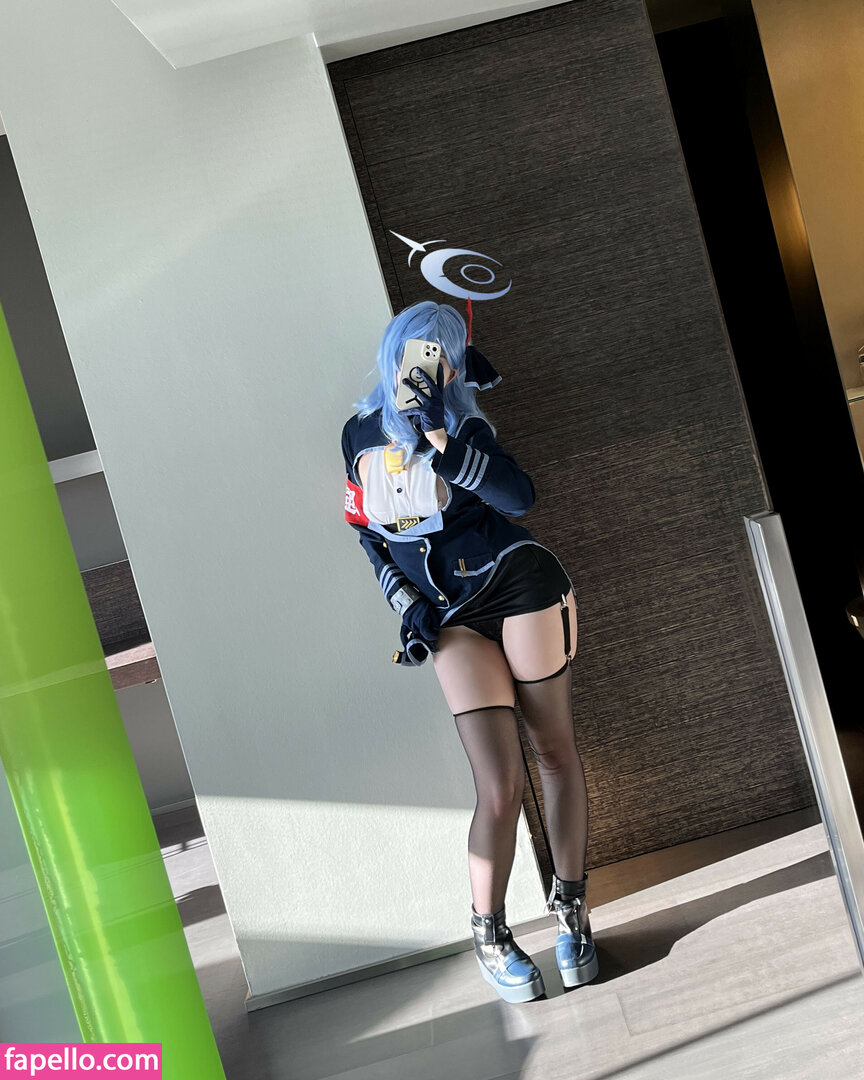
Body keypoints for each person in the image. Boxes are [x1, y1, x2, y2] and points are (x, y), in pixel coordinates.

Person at [341, 300, 599, 1002]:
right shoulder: (358, 435)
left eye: (443, 356)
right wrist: (404, 602)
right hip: (450, 617)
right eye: (417, 352)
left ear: (455, 365)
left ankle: (572, 914)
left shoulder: (465, 428)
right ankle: (490, 934)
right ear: (393, 352)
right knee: (498, 785)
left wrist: (439, 434)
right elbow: (367, 534)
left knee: (554, 751)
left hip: (520, 588)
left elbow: (519, 498)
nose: (430, 366)